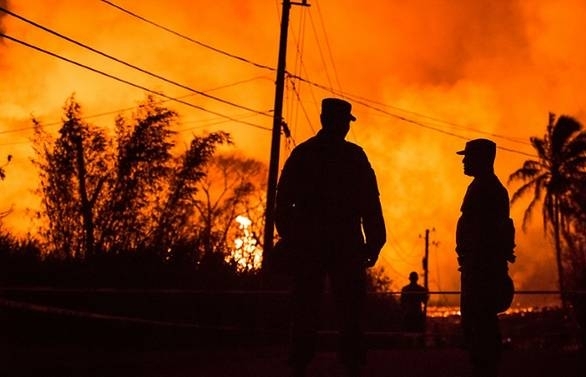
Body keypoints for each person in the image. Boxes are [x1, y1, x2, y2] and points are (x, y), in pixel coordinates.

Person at [275, 98, 386, 377]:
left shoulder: (303, 154)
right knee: (350, 308)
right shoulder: (354, 157)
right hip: (345, 243)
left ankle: (299, 361)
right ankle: (351, 362)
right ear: (342, 124)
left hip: (309, 244)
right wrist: (374, 242)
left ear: (323, 119)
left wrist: (292, 238)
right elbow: (370, 204)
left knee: (305, 304)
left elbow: (283, 203)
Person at [455, 138, 516, 377]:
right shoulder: (485, 187)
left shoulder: (486, 189)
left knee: (481, 323)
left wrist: (474, 261)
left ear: (481, 159)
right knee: (479, 324)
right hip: (478, 266)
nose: (463, 161)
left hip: (481, 269)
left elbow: (484, 232)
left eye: (468, 156)